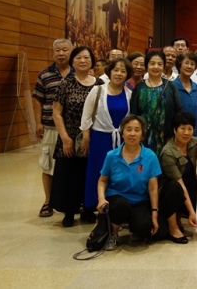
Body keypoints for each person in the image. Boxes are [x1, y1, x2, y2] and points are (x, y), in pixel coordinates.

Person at [97, 115, 193, 249]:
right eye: (128, 129)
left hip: (139, 201)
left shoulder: (150, 156)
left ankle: (136, 228)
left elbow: (153, 188)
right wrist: (101, 199)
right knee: (121, 205)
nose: (132, 133)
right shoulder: (112, 156)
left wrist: (154, 213)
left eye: (137, 130)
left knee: (146, 228)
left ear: (142, 135)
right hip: (116, 199)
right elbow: (102, 181)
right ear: (122, 133)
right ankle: (113, 234)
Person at [51, 46, 98, 227]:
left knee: (89, 174)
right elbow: (57, 113)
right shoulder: (66, 83)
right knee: (69, 175)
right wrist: (65, 138)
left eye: (86, 57)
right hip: (69, 136)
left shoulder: (99, 85)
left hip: (93, 138)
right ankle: (69, 212)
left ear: (92, 61)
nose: (83, 61)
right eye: (78, 58)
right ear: (72, 61)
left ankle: (88, 209)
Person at [80, 57, 133, 212]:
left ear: (127, 74)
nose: (119, 74)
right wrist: (86, 137)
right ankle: (93, 204)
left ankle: (116, 206)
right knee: (97, 171)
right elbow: (86, 115)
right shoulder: (97, 91)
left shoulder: (129, 94)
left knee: (119, 173)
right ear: (109, 71)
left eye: (123, 71)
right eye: (116, 70)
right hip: (100, 139)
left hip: (121, 141)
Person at [32, 38, 73, 218]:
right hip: (50, 127)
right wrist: (38, 122)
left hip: (72, 129)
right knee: (48, 165)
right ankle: (48, 201)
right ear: (53, 52)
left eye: (65, 50)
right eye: (58, 50)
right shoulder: (45, 74)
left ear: (71, 52)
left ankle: (71, 200)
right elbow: (37, 99)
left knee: (71, 165)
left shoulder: (78, 72)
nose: (61, 53)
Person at [130, 50, 184, 157]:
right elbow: (134, 113)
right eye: (152, 63)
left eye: (159, 64)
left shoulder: (170, 86)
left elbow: (179, 111)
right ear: (146, 66)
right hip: (142, 138)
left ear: (163, 66)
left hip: (166, 138)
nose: (156, 67)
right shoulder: (139, 87)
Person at [159, 112, 197, 241]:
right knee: (174, 187)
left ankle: (179, 215)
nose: (186, 133)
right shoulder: (168, 152)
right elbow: (180, 184)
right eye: (182, 128)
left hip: (190, 188)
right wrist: (192, 212)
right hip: (171, 193)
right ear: (174, 130)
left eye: (190, 129)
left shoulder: (193, 142)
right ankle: (173, 227)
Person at [174, 52, 197, 138]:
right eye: (186, 63)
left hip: (194, 133)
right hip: (177, 134)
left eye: (192, 64)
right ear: (179, 65)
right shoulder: (171, 86)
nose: (189, 66)